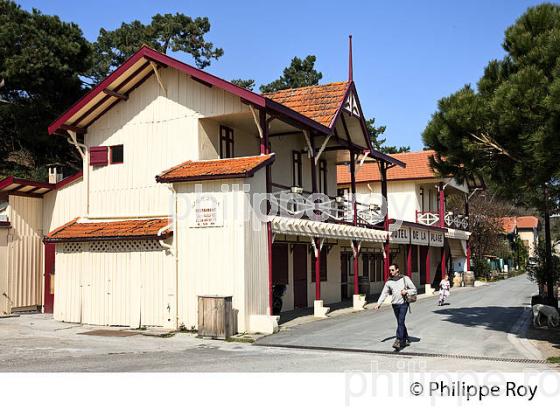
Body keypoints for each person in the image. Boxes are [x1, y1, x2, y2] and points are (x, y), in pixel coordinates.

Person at [374, 263, 417, 351]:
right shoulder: (389, 281)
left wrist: (406, 291)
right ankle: (406, 339)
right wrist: (379, 304)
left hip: (404, 304)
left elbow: (414, 290)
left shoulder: (405, 278)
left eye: (392, 270)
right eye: (390, 270)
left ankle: (398, 340)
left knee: (400, 321)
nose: (391, 272)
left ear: (397, 270)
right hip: (395, 305)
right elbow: (384, 293)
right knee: (400, 322)